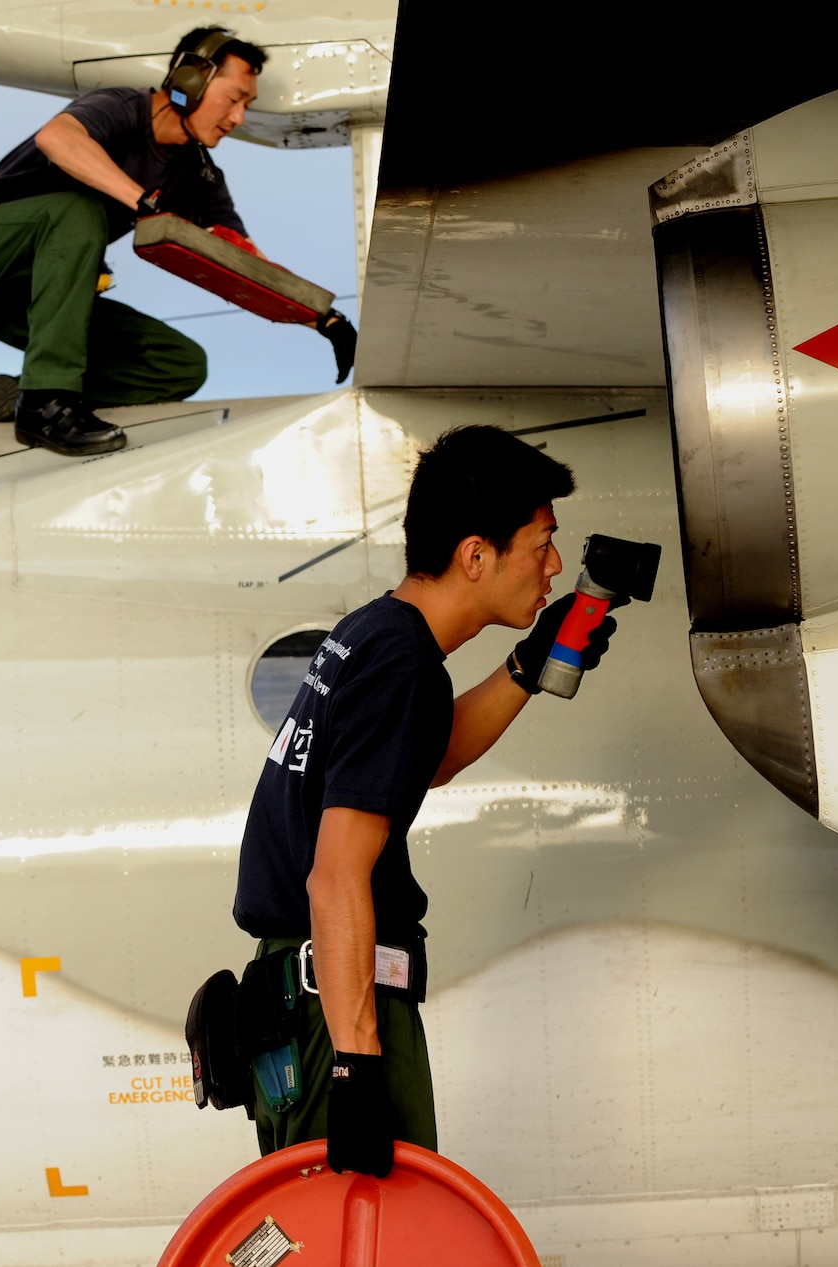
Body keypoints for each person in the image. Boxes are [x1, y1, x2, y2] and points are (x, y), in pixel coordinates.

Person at [230, 425, 622, 1176]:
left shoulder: (374, 634)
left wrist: (529, 665)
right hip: (335, 1007)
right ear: (475, 555)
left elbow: (424, 762)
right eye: (540, 542)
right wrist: (356, 1065)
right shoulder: (402, 660)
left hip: (308, 1000)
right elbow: (335, 875)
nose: (555, 565)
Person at [0, 27, 303, 456]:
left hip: (45, 297)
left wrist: (322, 319)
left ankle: (21, 393)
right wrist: (142, 201)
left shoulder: (198, 175)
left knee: (178, 364)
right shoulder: (120, 107)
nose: (239, 117)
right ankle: (46, 405)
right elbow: (56, 139)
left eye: (247, 105)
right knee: (80, 208)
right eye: (234, 98)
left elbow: (239, 258)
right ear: (191, 82)